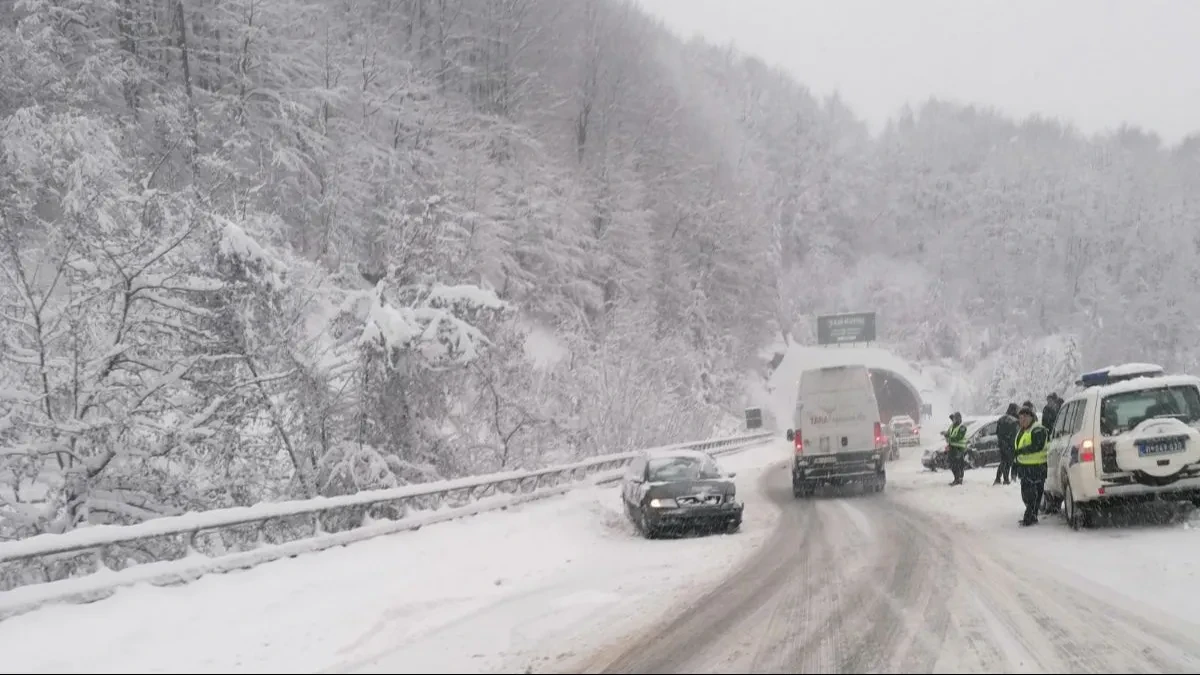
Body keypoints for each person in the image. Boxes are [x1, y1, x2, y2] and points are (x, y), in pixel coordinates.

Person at [1014, 405, 1048, 526]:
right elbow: (1017, 449)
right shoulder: (1022, 431)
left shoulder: (1037, 429)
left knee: (1032, 494)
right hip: (1024, 467)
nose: (1022, 420)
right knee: (1026, 494)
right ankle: (1032, 515)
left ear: (1031, 417)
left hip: (1036, 467)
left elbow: (1037, 446)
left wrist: (1021, 451)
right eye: (1020, 417)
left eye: (1025, 417)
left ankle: (1029, 516)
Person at [994, 403, 1019, 486]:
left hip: (1001, 443)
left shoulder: (1001, 419)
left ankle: (998, 478)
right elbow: (1015, 434)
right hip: (1010, 444)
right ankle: (1006, 480)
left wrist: (1001, 441)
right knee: (1008, 462)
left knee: (1003, 461)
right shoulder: (1014, 421)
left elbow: (997, 432)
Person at [942, 412, 968, 486]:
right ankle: (956, 479)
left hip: (959, 448)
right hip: (952, 447)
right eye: (953, 419)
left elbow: (959, 437)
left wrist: (949, 438)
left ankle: (959, 479)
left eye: (955, 419)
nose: (953, 420)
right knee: (952, 464)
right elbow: (948, 433)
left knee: (958, 464)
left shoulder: (962, 427)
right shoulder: (952, 426)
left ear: (958, 419)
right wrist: (945, 434)